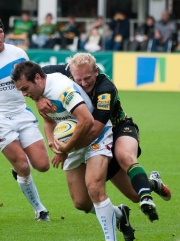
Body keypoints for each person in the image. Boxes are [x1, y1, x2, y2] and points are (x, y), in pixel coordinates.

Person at [11, 60, 135, 241]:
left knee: (95, 187)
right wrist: (52, 141)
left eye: (25, 89)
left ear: (37, 78)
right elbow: (49, 120)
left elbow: (86, 120)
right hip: (72, 144)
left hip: (96, 136)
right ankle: (119, 214)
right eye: (21, 91)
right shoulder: (40, 93)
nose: (24, 94)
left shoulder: (62, 89)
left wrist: (66, 149)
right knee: (81, 203)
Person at [35, 53, 171, 223]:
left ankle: (147, 198)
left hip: (118, 128)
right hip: (94, 138)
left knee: (125, 156)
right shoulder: (65, 71)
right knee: (133, 196)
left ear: (96, 72)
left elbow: (95, 130)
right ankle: (152, 184)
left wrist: (66, 149)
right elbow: (33, 76)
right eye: (79, 80)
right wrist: (38, 97)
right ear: (71, 73)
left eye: (87, 79)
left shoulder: (106, 89)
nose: (83, 84)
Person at [0, 19, 50, 221]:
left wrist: (39, 99)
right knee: (23, 166)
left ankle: (18, 169)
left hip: (22, 112)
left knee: (43, 165)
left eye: (0, 30)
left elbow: (34, 78)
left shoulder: (18, 54)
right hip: (0, 119)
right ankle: (39, 209)